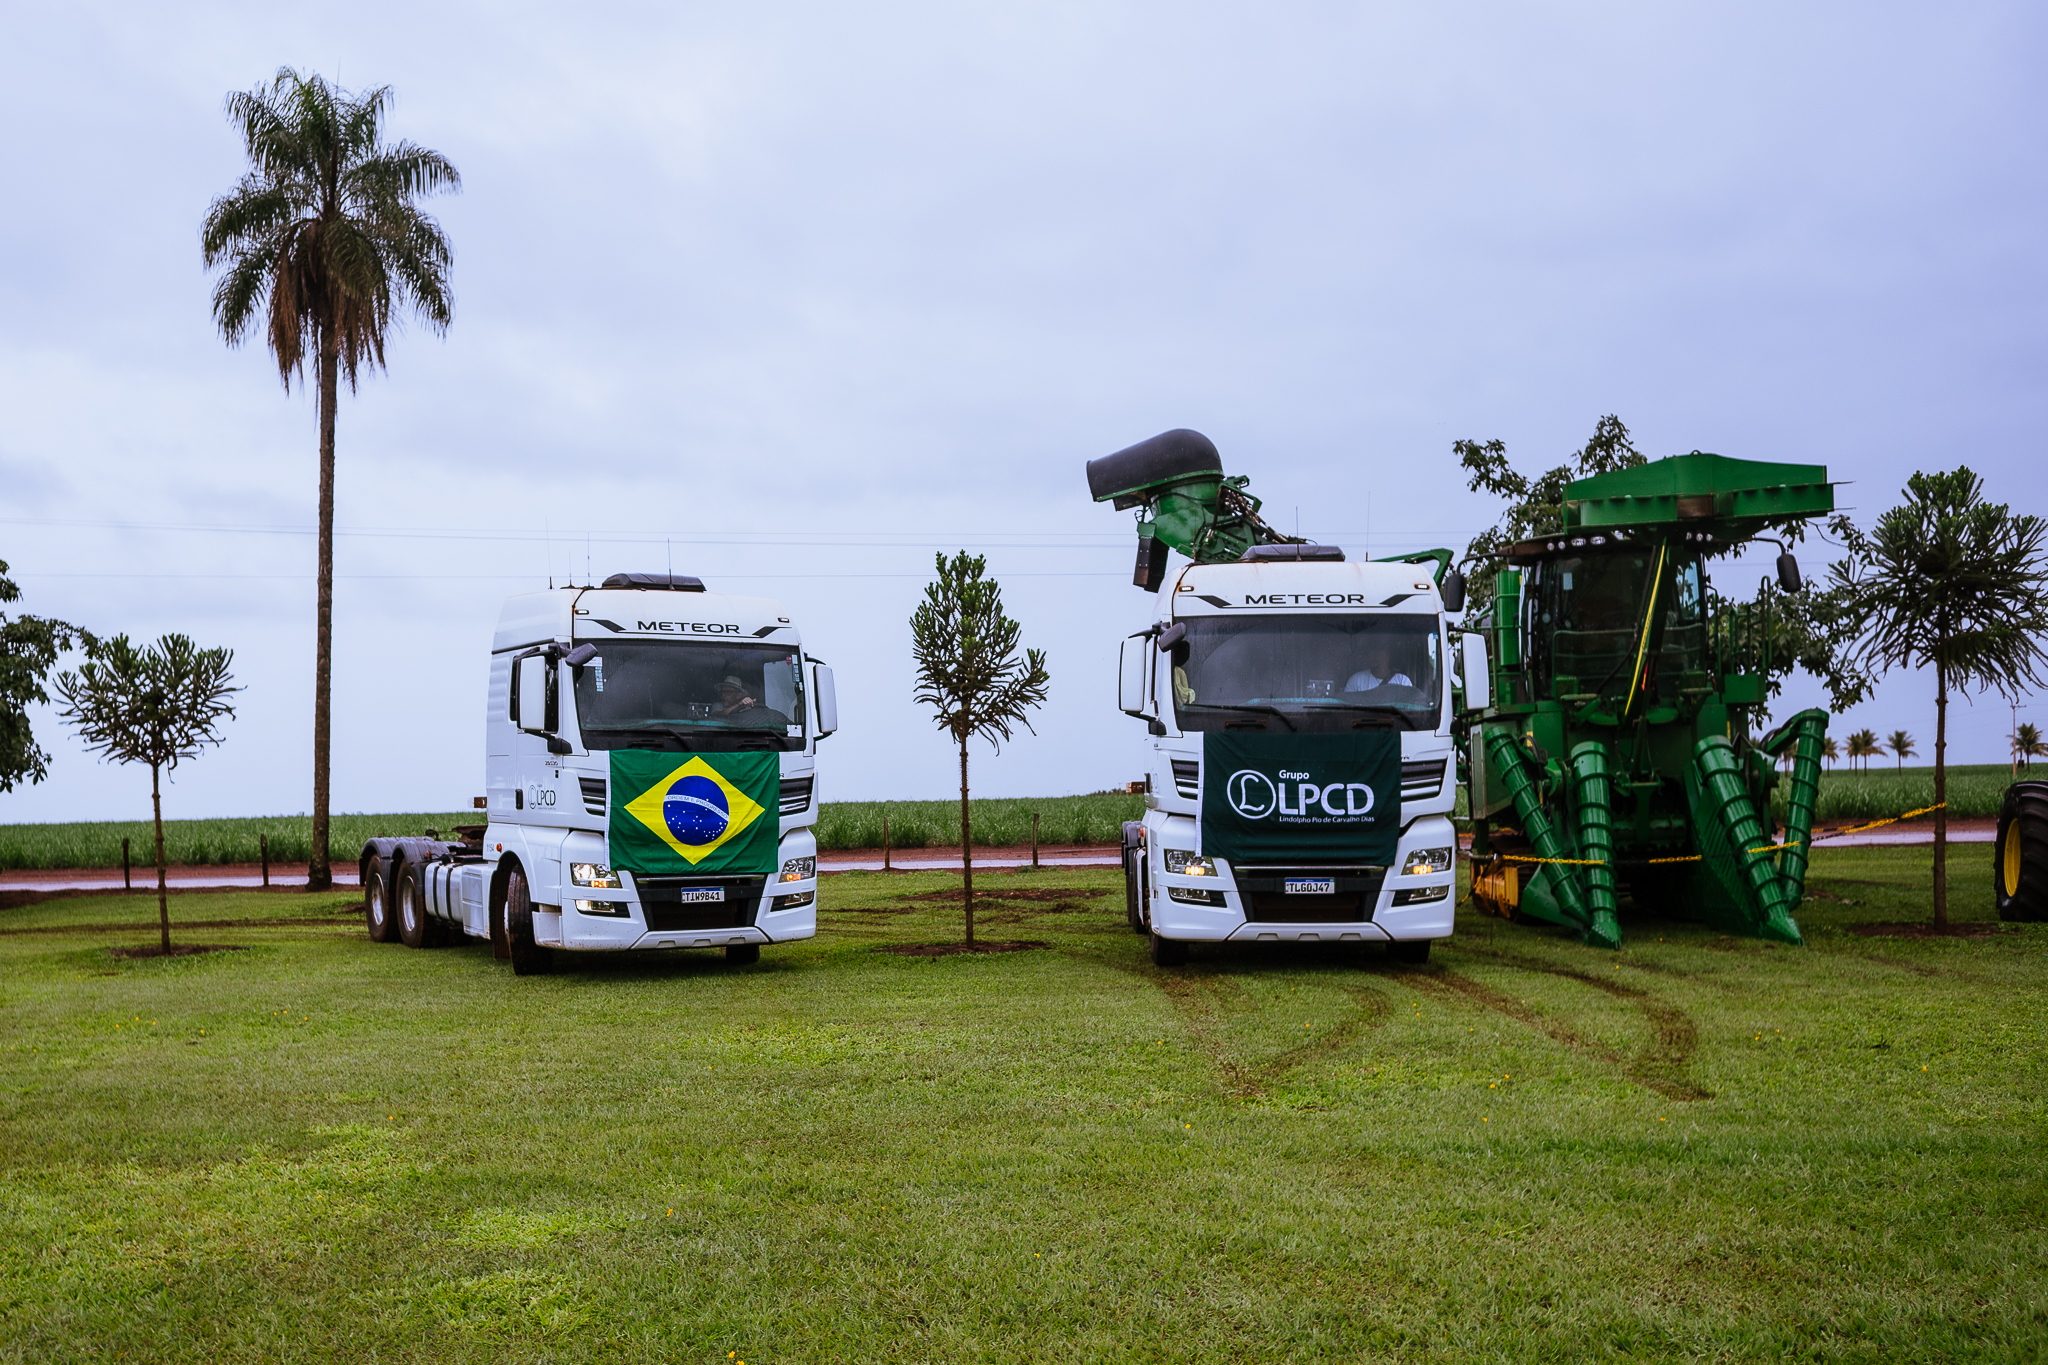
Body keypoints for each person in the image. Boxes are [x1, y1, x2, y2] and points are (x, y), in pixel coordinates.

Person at [1344, 639, 1412, 693]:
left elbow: (1409, 707)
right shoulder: (1356, 680)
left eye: (1377, 653)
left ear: (1387, 656)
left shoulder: (1402, 681)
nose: (1373, 656)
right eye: (1371, 653)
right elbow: (1347, 706)